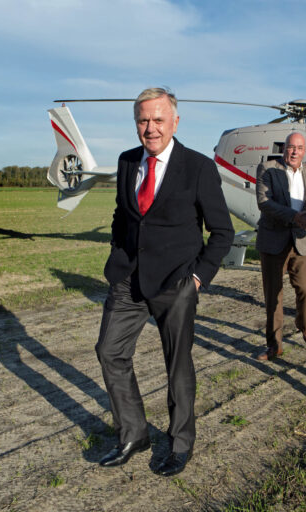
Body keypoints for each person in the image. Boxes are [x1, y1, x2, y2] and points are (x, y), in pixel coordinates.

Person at [95, 87, 234, 477]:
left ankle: (180, 443)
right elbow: (123, 216)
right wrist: (118, 255)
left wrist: (197, 278)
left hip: (176, 282)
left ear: (175, 121)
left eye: (158, 119)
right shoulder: (126, 161)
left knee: (177, 365)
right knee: (110, 351)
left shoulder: (198, 167)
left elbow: (221, 232)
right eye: (143, 120)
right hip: (128, 279)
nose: (150, 128)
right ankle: (133, 434)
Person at [255, 132, 306, 359]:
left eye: (299, 148)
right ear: (284, 148)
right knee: (273, 296)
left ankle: (302, 323)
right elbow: (264, 203)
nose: (294, 151)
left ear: (305, 151)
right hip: (273, 241)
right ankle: (274, 345)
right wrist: (294, 216)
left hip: (302, 241)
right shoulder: (267, 168)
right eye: (290, 147)